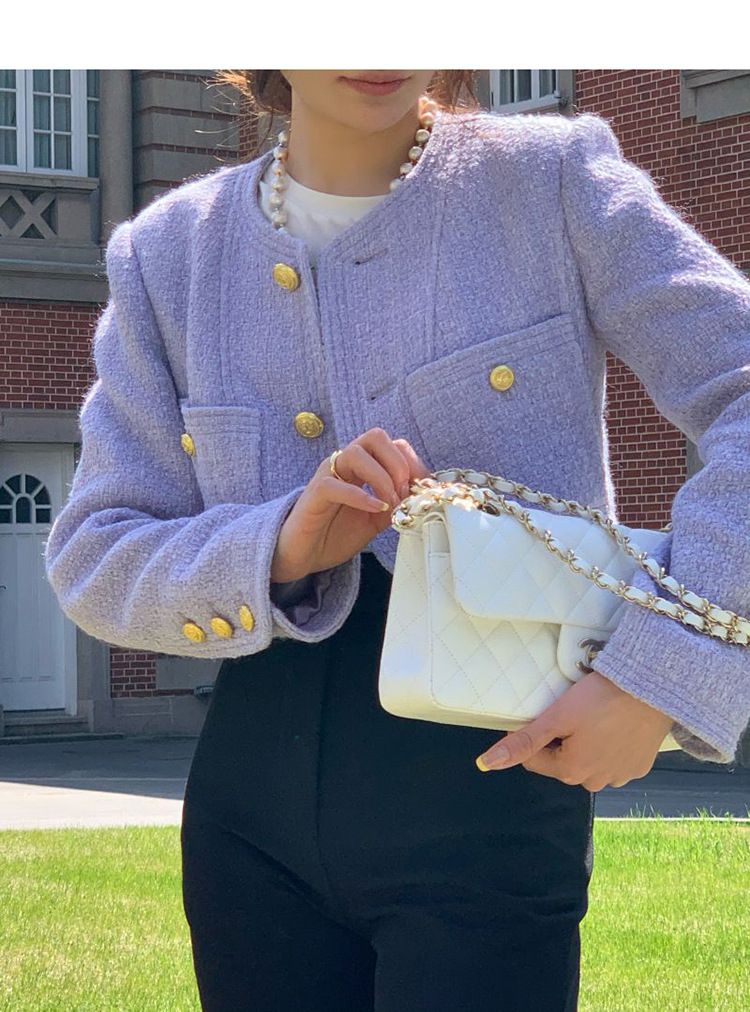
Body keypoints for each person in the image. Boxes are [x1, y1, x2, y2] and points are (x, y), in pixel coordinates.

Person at [44, 70, 750, 1011]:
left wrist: (656, 676)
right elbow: (94, 554)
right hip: (247, 820)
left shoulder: (550, 182)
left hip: (493, 796)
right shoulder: (168, 254)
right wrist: (278, 547)